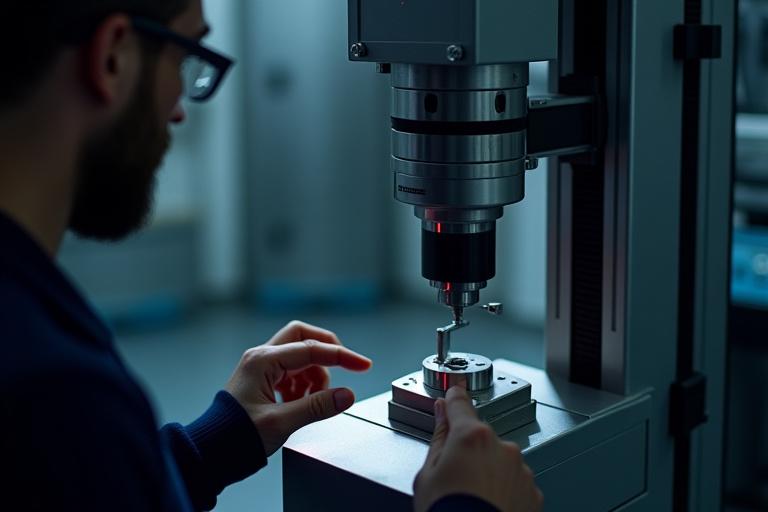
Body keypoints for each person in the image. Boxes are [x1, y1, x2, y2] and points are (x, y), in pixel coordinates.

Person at [0, 1, 544, 511]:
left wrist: (217, 440)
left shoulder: (33, 325)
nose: (180, 111)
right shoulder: (54, 392)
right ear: (112, 57)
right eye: (187, 59)